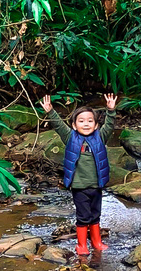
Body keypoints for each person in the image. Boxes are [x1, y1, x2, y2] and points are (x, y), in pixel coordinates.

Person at [40, 94, 117, 255]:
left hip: (96, 185)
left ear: (96, 125)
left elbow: (109, 126)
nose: (86, 124)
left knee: (95, 215)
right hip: (79, 186)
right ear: (74, 125)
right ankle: (81, 245)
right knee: (83, 216)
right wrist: (50, 111)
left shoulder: (100, 137)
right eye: (81, 121)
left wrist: (110, 111)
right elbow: (59, 126)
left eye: (90, 121)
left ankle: (96, 242)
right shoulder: (70, 137)